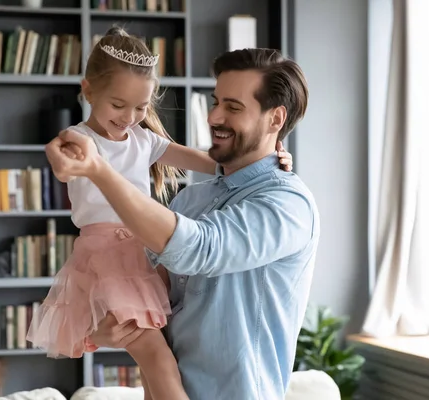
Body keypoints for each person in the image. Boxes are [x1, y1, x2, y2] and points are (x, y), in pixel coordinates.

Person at [27, 26, 293, 400]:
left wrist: (272, 157)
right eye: (118, 105)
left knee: (155, 359)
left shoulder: (144, 140)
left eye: (140, 108)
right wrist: (68, 162)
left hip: (140, 256)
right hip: (107, 257)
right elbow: (65, 159)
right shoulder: (80, 139)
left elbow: (210, 162)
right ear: (87, 91)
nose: (129, 117)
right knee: (157, 358)